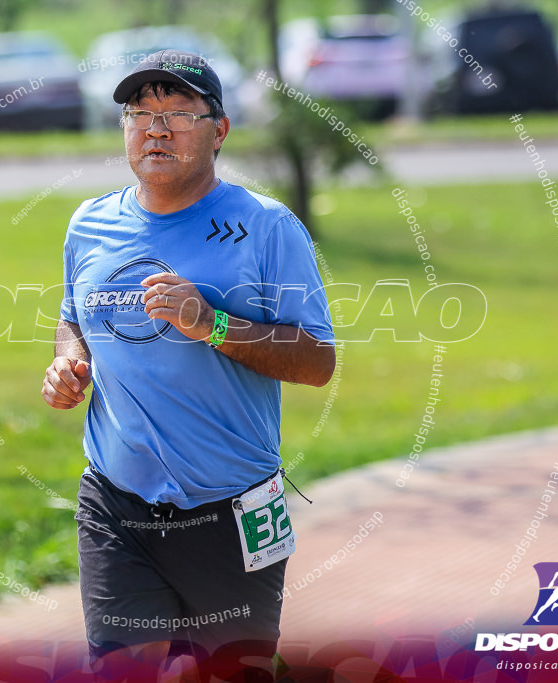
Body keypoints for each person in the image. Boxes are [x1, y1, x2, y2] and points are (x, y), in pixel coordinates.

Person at [41, 49, 336, 680]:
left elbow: (318, 362)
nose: (155, 127)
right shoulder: (89, 224)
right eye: (140, 112)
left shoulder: (265, 227)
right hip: (117, 504)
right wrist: (69, 363)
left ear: (219, 130)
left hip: (232, 509)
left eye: (178, 112)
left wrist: (214, 323)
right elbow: (74, 317)